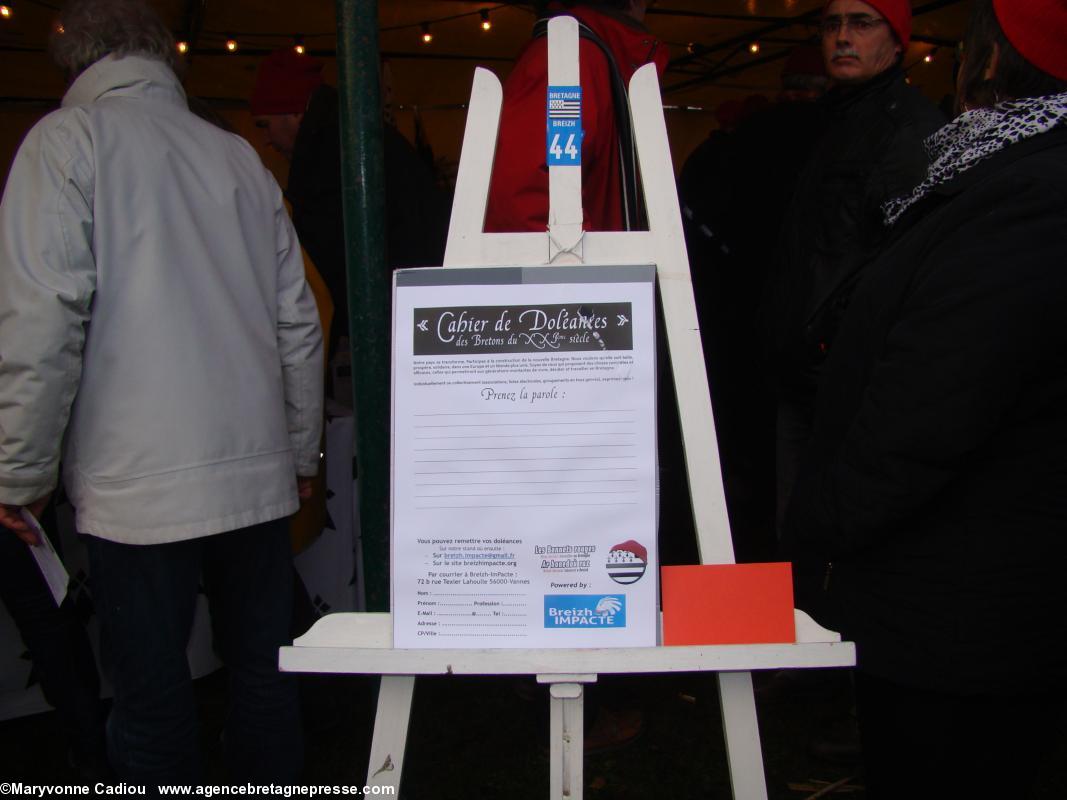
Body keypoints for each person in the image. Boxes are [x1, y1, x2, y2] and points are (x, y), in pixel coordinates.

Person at [0, 0, 324, 788]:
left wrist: (16, 474)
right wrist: (300, 447)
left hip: (134, 484)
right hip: (251, 471)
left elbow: (41, 320)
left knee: (150, 701)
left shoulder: (66, 143)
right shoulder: (238, 157)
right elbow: (298, 321)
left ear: (76, 62)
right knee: (263, 680)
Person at [783, 0, 1067, 795]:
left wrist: (826, 521)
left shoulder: (1030, 190)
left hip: (967, 608)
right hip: (957, 591)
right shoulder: (993, 165)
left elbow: (932, 402)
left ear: (992, 55)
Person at [762, 0, 945, 552]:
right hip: (804, 368)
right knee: (798, 534)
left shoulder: (907, 128)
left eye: (861, 23)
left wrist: (833, 339)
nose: (842, 37)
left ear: (897, 40)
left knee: (832, 538)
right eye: (832, 24)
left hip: (848, 375)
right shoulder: (830, 120)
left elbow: (907, 257)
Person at [250, 48, 449, 357]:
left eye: (265, 124)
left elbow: (324, 264)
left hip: (392, 321)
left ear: (294, 112)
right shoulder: (355, 133)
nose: (266, 138)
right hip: (415, 308)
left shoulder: (326, 152)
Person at [485, 0, 669, 233]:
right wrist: (584, 268)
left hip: (595, 262)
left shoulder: (585, 56)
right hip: (583, 265)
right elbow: (527, 195)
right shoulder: (572, 60)